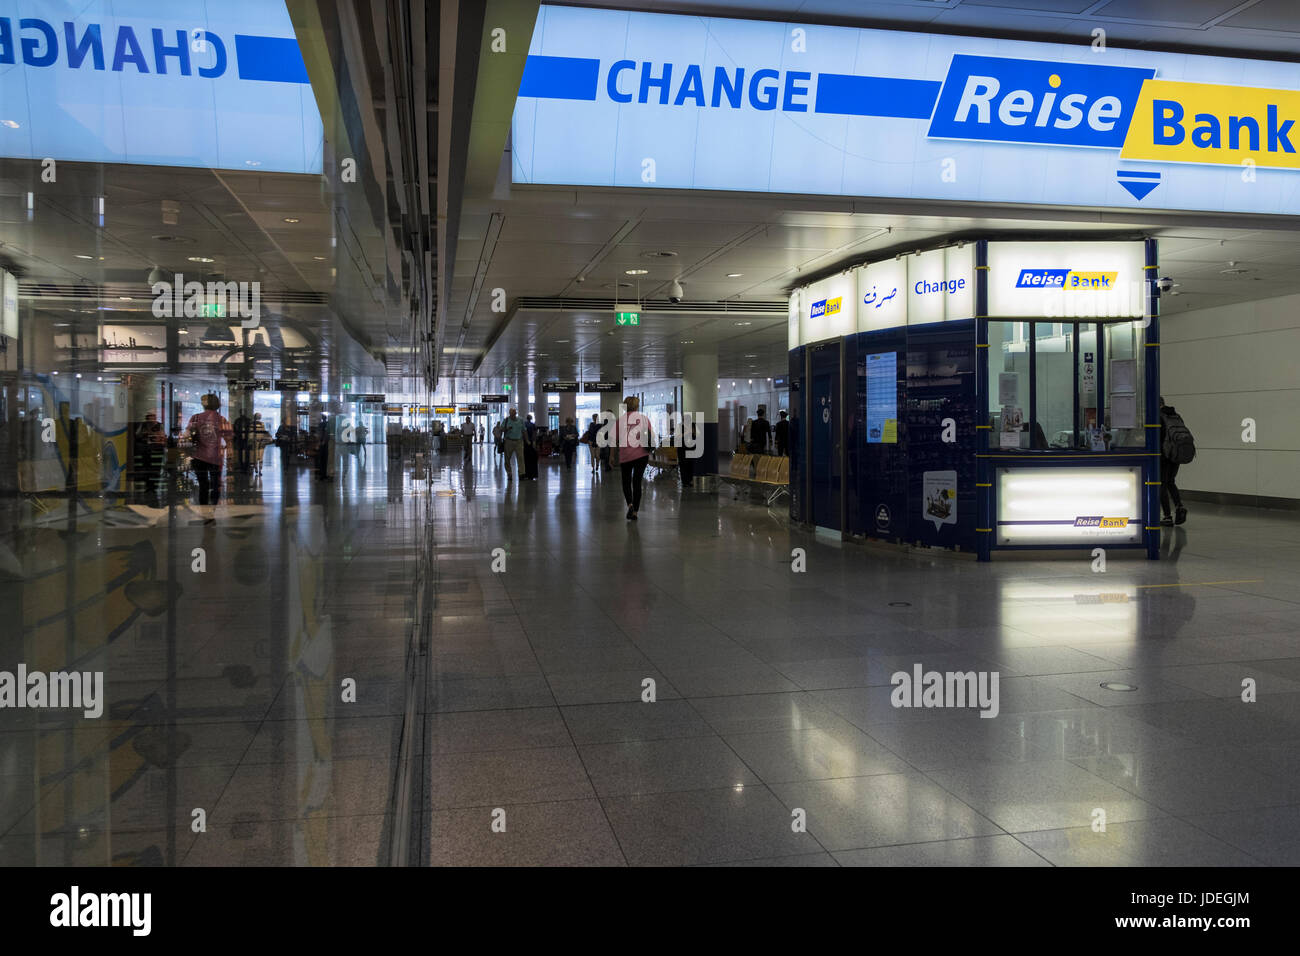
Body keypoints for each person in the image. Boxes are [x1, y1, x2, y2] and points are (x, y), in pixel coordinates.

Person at [186, 393, 233, 505]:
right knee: (215, 483)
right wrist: (230, 455)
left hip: (199, 456)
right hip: (215, 457)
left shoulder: (195, 418)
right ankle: (213, 507)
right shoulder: (221, 419)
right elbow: (229, 438)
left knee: (203, 484)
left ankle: (204, 507)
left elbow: (186, 435)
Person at [617, 396, 653, 520]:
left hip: (625, 455)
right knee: (637, 483)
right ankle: (635, 512)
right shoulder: (644, 419)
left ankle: (630, 505)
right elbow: (650, 436)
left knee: (626, 482)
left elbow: (614, 440)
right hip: (641, 455)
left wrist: (611, 456)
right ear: (637, 406)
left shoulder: (620, 421)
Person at [1160, 396, 1194, 526]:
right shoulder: (1176, 415)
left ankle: (1167, 516)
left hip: (1163, 455)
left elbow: (1158, 437)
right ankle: (1179, 506)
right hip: (1176, 454)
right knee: (1171, 482)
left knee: (1161, 484)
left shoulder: (1158, 416)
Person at [501, 408, 526, 480]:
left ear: (516, 413)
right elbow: (501, 429)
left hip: (519, 441)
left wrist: (527, 440)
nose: (513, 415)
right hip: (509, 441)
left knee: (521, 458)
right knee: (507, 458)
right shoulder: (506, 420)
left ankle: (521, 474)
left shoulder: (520, 420)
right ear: (509, 413)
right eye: (511, 414)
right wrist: (507, 428)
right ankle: (509, 472)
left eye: (514, 413)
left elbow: (524, 430)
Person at [523, 414, 539, 480]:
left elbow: (523, 433)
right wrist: (534, 443)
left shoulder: (524, 424)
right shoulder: (533, 425)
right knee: (533, 459)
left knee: (526, 459)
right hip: (531, 443)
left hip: (525, 443)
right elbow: (534, 435)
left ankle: (526, 473)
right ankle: (533, 474)